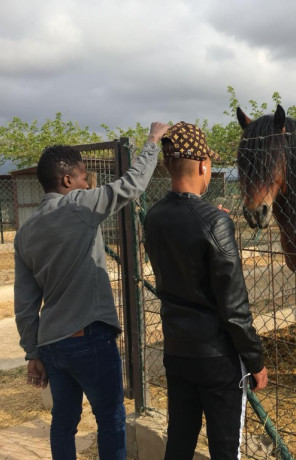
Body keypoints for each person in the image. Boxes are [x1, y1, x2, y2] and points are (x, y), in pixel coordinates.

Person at [14, 122, 170, 460]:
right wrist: (152, 141)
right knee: (111, 419)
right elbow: (132, 185)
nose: (89, 183)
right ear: (68, 181)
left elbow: (25, 305)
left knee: (64, 422)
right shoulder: (80, 206)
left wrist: (32, 353)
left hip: (52, 345)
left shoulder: (24, 233)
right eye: (85, 177)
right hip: (89, 338)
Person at [143, 121, 268, 460]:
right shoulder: (214, 222)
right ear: (203, 165)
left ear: (168, 166)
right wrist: (255, 359)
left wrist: (216, 223)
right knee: (225, 448)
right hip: (217, 359)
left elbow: (185, 248)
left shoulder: (153, 217)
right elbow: (234, 306)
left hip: (177, 350)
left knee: (180, 441)